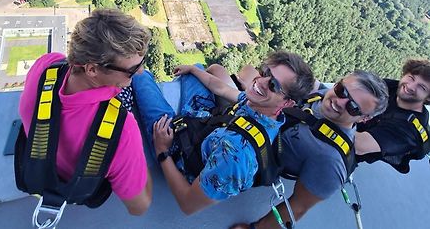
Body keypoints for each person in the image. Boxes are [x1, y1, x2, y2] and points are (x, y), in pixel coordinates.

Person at [131, 50, 314, 215]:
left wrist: (162, 152)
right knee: (196, 68)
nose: (261, 82)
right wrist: (193, 70)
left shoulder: (237, 155)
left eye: (274, 85)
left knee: (139, 75)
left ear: (288, 103)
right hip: (202, 123)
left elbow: (188, 203)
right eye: (265, 73)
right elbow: (223, 89)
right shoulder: (259, 107)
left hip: (176, 148)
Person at [18, 9, 152, 215]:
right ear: (92, 70)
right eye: (132, 70)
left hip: (37, 171)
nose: (141, 72)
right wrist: (142, 158)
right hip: (77, 191)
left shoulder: (45, 66)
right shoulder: (122, 130)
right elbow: (139, 207)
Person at [232, 70, 389, 229]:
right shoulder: (320, 96)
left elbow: (297, 207)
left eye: (354, 107)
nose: (339, 102)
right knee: (218, 71)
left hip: (243, 157)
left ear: (365, 118)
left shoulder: (332, 161)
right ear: (337, 83)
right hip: (246, 120)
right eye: (342, 90)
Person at [355, 58, 430, 173]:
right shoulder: (391, 87)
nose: (410, 87)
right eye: (411, 78)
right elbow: (354, 89)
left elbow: (359, 145)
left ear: (428, 98)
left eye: (422, 87)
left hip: (349, 152)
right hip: (348, 124)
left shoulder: (408, 130)